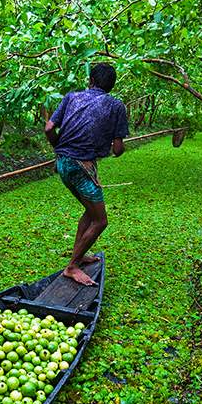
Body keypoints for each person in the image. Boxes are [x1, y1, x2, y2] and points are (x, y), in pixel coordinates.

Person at [44, 63, 128, 286]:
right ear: (112, 85)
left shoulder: (72, 97)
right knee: (101, 221)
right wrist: (115, 146)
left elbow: (49, 129)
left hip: (62, 164)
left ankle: (79, 257)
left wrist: (59, 147)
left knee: (90, 213)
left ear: (90, 80)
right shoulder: (116, 106)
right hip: (82, 167)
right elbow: (118, 149)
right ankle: (71, 267)